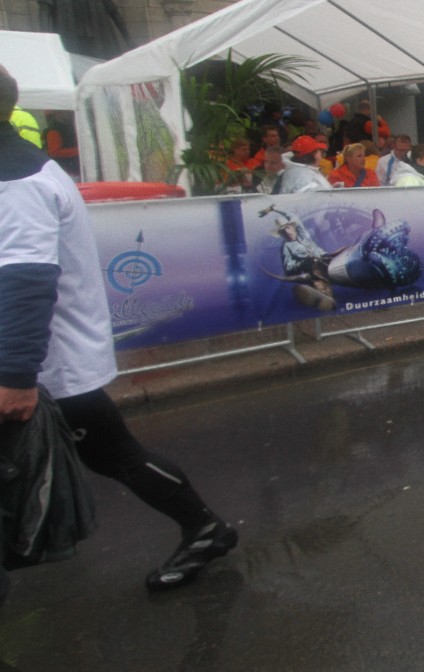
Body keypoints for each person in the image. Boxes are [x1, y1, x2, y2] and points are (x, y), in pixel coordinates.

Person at [0, 65, 236, 592]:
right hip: (42, 363)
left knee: (116, 455)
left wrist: (15, 375)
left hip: (45, 367)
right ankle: (205, 529)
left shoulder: (17, 179)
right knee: (114, 455)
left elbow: (26, 278)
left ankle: (205, 529)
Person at [266, 138, 332, 194]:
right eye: (319, 151)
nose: (320, 154)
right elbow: (319, 199)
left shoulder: (294, 171)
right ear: (315, 155)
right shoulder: (305, 177)